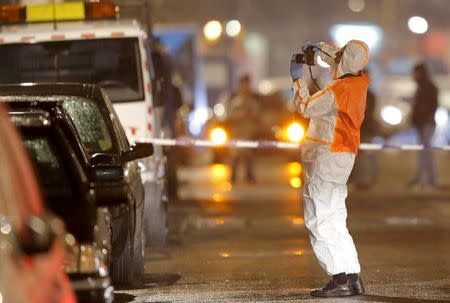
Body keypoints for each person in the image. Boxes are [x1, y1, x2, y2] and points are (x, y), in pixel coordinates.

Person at [290, 40, 369, 297]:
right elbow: (338, 58)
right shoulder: (357, 83)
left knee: (319, 218)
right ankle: (350, 276)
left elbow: (304, 107)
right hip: (342, 157)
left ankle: (339, 278)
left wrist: (297, 81)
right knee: (335, 217)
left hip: (325, 158)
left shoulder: (338, 90)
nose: (335, 58)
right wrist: (318, 48)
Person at [409, 63, 438, 187]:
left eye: (415, 73)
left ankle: (418, 177)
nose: (413, 75)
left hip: (427, 124)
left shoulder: (429, 87)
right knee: (427, 152)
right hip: (423, 124)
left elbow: (432, 106)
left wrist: (422, 119)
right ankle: (432, 180)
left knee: (424, 152)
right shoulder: (421, 87)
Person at [228, 74, 260, 184]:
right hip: (237, 132)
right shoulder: (236, 101)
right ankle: (232, 176)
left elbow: (257, 116)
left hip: (249, 132)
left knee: (249, 155)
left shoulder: (252, 102)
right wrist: (242, 114)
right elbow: (230, 116)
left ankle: (249, 176)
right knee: (235, 155)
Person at [352, 69, 379, 189]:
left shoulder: (369, 94)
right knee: (363, 156)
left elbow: (368, 112)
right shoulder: (358, 93)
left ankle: (365, 180)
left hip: (365, 129)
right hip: (360, 129)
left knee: (365, 156)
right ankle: (363, 179)